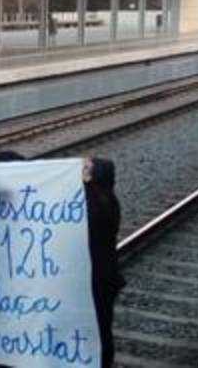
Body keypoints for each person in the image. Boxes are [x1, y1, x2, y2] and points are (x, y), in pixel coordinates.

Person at [85, 157, 124, 367]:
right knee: (100, 326)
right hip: (99, 278)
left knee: (100, 328)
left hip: (100, 280)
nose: (82, 171)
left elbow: (91, 212)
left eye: (88, 168)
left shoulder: (103, 204)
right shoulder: (103, 199)